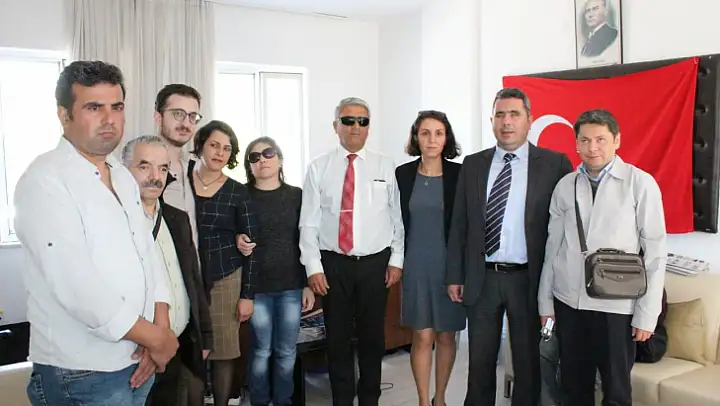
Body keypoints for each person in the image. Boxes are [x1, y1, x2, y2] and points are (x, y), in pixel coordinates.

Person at [15, 60, 178, 406]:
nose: (109, 119)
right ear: (64, 115)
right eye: (94, 107)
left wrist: (160, 330)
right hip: (82, 370)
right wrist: (156, 338)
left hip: (138, 358)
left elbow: (147, 255)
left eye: (116, 107)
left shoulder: (120, 174)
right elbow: (76, 285)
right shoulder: (45, 180)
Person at [446, 88, 573, 406]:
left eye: (514, 114)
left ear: (529, 119)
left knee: (529, 363)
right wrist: (455, 275)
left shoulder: (555, 164)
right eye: (500, 115)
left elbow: (566, 229)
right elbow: (460, 223)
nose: (507, 122)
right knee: (480, 363)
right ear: (492, 121)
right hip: (482, 278)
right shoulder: (473, 164)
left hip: (529, 280)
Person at [538, 109, 667, 406]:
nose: (592, 147)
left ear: (616, 140)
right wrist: (546, 303)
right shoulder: (566, 185)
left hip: (617, 306)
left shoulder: (639, 183)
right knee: (573, 389)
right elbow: (552, 249)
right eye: (584, 140)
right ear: (576, 144)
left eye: (600, 139)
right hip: (569, 302)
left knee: (616, 392)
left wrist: (647, 315)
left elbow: (656, 253)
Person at [299, 97, 405, 406]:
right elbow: (309, 222)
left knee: (373, 338)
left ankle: (370, 398)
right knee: (337, 339)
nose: (356, 126)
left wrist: (396, 260)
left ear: (369, 127)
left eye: (363, 121)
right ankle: (342, 400)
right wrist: (313, 267)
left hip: (375, 264)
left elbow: (397, 218)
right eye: (348, 120)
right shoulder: (318, 168)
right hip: (334, 264)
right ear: (336, 126)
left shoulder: (386, 166)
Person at [122, 135, 214, 406]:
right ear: (124, 171)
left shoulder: (177, 218)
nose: (155, 177)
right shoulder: (117, 222)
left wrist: (205, 334)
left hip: (177, 345)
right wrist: (150, 343)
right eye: (144, 166)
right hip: (135, 352)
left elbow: (193, 279)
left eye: (162, 168)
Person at [235, 136, 315, 406]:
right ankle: (259, 401)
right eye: (254, 157)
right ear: (249, 166)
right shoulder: (241, 195)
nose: (262, 160)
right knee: (261, 350)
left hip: (291, 286)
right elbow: (230, 231)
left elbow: (306, 240)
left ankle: (283, 401)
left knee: (286, 352)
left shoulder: (297, 196)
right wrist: (237, 238)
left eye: (268, 153)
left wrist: (307, 283)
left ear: (280, 159)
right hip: (256, 289)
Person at [394, 110, 466, 406]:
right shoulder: (402, 175)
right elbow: (395, 222)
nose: (432, 139)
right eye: (425, 133)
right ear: (416, 138)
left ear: (446, 138)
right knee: (422, 337)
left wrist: (461, 272)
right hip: (415, 266)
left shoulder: (460, 175)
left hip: (450, 268)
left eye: (438, 133)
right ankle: (424, 401)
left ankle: (440, 399)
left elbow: (466, 226)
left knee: (446, 337)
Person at [189, 120, 259, 406]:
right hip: (187, 278)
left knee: (223, 353)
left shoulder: (237, 191)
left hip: (226, 276)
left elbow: (251, 246)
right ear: (200, 146)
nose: (219, 152)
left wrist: (247, 295)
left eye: (226, 148)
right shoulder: (180, 183)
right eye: (214, 145)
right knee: (191, 351)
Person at [154, 83, 203, 246]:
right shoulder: (138, 170)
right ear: (158, 117)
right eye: (178, 114)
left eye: (192, 116)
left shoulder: (196, 170)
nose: (186, 123)